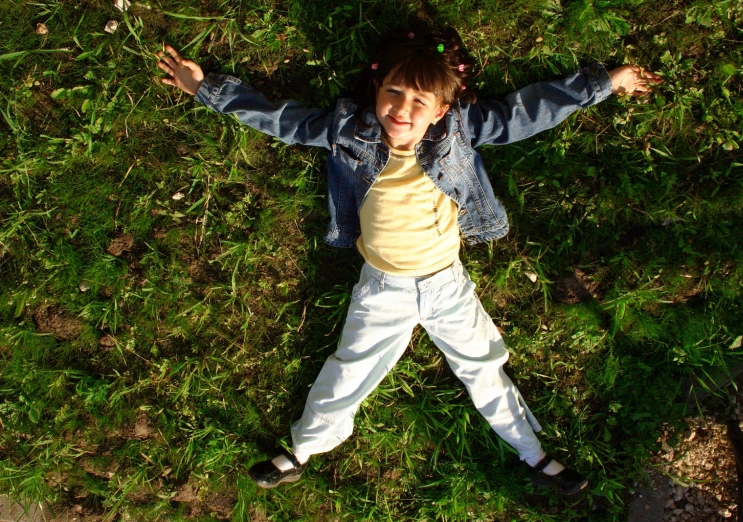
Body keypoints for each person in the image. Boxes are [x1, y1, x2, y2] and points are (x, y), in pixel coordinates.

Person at [156, 24, 661, 496]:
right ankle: (303, 450)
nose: (402, 109)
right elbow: (283, 121)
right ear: (377, 94)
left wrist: (605, 82)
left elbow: (527, 114)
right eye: (394, 93)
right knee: (350, 367)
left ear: (441, 110)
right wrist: (209, 90)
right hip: (382, 287)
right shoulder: (347, 130)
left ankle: (533, 455)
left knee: (484, 366)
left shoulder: (461, 131)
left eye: (420, 100)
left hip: (447, 285)